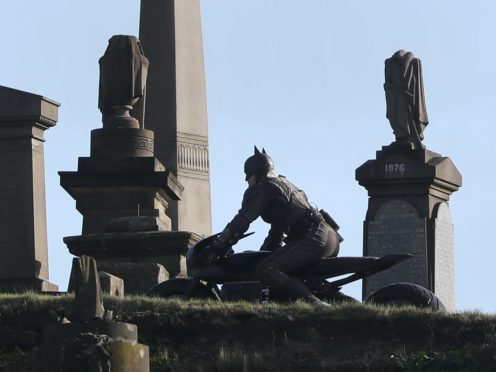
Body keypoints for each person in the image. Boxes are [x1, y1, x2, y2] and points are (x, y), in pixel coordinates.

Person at [212, 146, 341, 306]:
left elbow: (243, 219)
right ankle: (346, 305)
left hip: (313, 238)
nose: (247, 181)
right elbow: (277, 233)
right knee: (302, 279)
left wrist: (221, 242)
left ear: (256, 173)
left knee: (266, 270)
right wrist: (263, 254)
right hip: (328, 236)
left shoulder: (264, 188)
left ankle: (316, 305)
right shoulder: (284, 184)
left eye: (248, 176)